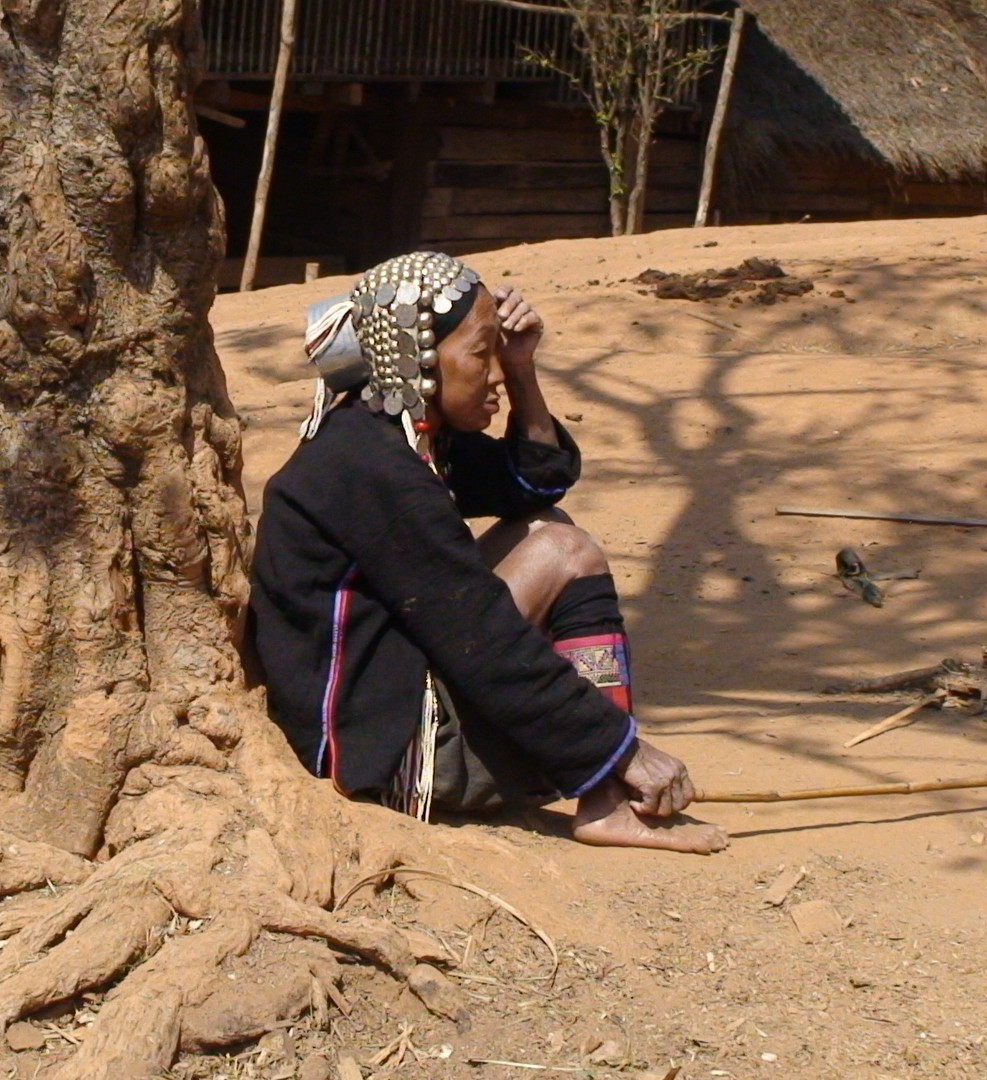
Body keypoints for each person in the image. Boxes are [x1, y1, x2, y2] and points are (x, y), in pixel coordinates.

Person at [249, 251, 727, 854]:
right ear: (418, 358)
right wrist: (619, 746)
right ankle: (605, 789)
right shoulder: (375, 469)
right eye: (482, 353)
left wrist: (523, 368)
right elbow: (482, 639)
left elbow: (535, 481)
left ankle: (601, 787)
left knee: (548, 526)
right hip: (389, 753)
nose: (494, 373)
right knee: (564, 548)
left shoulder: (398, 436)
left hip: (388, 712)